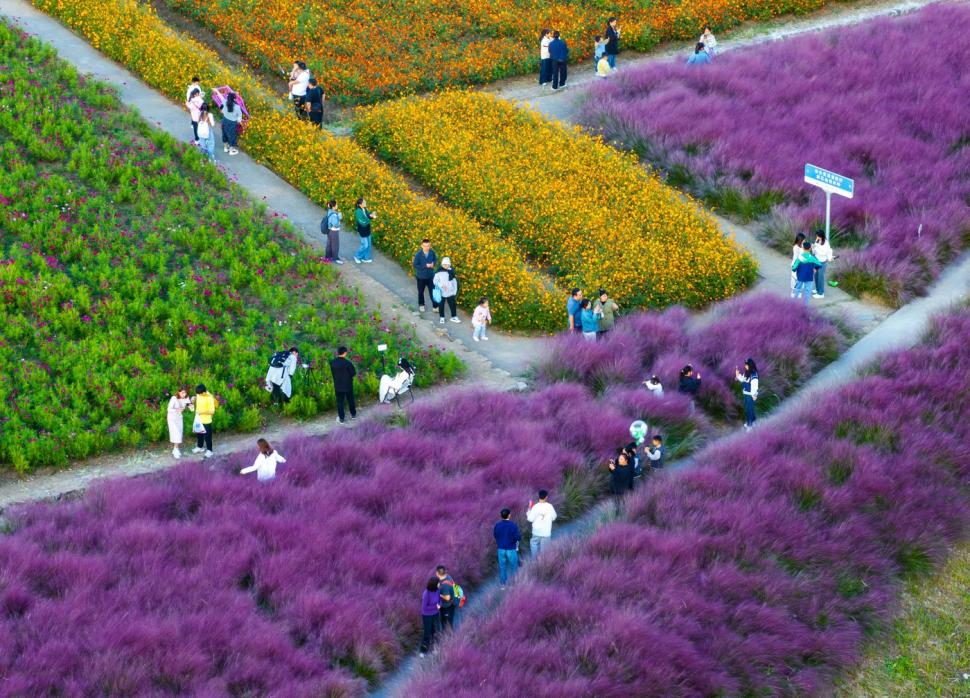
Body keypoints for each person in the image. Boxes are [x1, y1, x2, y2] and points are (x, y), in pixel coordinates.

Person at [493, 508, 521, 587]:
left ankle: (503, 584)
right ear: (509, 515)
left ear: (501, 516)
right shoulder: (513, 525)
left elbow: (495, 535)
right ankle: (514, 584)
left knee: (502, 567)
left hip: (501, 549)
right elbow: (518, 537)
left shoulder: (497, 525)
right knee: (514, 567)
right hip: (511, 549)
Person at [329, 346, 357, 424]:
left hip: (338, 386)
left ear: (338, 353)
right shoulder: (348, 363)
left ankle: (341, 418)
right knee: (350, 400)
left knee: (340, 402)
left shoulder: (332, 362)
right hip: (348, 385)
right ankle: (353, 415)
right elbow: (353, 373)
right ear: (345, 353)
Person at [526, 490, 557, 556]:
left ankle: (534, 560)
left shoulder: (535, 507)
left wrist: (528, 511)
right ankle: (542, 561)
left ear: (538, 496)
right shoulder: (550, 506)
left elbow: (530, 519)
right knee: (545, 551)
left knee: (534, 545)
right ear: (546, 497)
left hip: (536, 532)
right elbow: (554, 517)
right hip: (546, 532)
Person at [192, 384, 218, 458]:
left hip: (206, 420)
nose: (198, 395)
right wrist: (193, 399)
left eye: (199, 394)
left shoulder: (210, 398)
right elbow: (196, 398)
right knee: (199, 434)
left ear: (204, 392)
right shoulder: (199, 394)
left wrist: (201, 412)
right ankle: (200, 447)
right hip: (198, 419)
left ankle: (210, 451)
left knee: (207, 437)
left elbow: (212, 411)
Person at [167, 388, 194, 459]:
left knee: (179, 433)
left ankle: (175, 449)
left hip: (179, 418)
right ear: (178, 392)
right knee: (176, 434)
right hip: (172, 418)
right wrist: (177, 410)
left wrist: (192, 403)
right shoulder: (174, 398)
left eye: (185, 393)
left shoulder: (186, 399)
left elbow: (192, 409)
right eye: (182, 392)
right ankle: (176, 449)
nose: (184, 394)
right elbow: (169, 409)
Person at [792, 241, 821, 306]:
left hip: (800, 277)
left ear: (803, 248)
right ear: (810, 248)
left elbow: (794, 268)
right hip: (809, 277)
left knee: (797, 289)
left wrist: (794, 268)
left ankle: (794, 304)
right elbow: (819, 264)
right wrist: (815, 269)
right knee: (807, 291)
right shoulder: (812, 258)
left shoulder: (799, 258)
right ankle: (805, 305)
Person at [413, 239, 438, 312]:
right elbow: (415, 265)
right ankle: (421, 305)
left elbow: (435, 259)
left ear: (430, 246)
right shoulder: (418, 255)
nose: (426, 248)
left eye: (428, 246)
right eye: (425, 246)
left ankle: (435, 306)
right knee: (421, 292)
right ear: (422, 246)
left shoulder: (432, 252)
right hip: (421, 277)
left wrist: (433, 263)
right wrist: (425, 265)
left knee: (432, 292)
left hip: (430, 276)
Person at [433, 257, 460, 324]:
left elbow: (454, 282)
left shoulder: (451, 271)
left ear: (449, 264)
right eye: (444, 264)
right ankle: (442, 317)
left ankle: (454, 316)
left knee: (452, 305)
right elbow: (435, 281)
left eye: (447, 264)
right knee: (441, 305)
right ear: (442, 264)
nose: (445, 266)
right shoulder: (438, 272)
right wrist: (441, 285)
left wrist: (455, 291)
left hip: (450, 292)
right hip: (441, 292)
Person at [736, 358, 759, 431]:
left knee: (749, 409)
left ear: (750, 365)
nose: (745, 366)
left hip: (750, 395)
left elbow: (754, 386)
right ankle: (753, 421)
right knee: (749, 408)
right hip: (746, 394)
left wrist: (754, 395)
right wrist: (738, 375)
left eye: (746, 365)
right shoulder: (747, 372)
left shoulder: (754, 375)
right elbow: (743, 379)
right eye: (745, 365)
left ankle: (750, 425)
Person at [419, 577, 440, 656]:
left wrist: (440, 604)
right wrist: (435, 607)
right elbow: (424, 608)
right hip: (427, 616)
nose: (439, 584)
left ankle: (435, 649)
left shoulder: (437, 590)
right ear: (434, 584)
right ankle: (423, 651)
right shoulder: (426, 594)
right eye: (438, 583)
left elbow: (440, 600)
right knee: (427, 633)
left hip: (436, 614)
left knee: (436, 631)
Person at [353, 197, 376, 264]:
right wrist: (369, 220)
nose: (365, 203)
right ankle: (357, 256)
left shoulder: (364, 209)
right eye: (364, 202)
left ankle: (366, 258)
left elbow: (368, 215)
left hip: (367, 229)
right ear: (360, 204)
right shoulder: (358, 212)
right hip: (362, 230)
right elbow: (362, 222)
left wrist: (372, 215)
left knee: (369, 244)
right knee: (365, 245)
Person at [812, 230, 833, 298]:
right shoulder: (817, 240)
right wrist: (813, 247)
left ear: (822, 236)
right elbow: (814, 252)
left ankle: (821, 294)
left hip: (822, 262)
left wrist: (817, 247)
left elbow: (824, 253)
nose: (817, 237)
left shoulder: (826, 243)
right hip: (816, 260)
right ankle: (817, 289)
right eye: (817, 236)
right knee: (816, 275)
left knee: (820, 277)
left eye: (818, 236)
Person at [435, 565, 456, 630]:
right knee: (449, 621)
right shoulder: (448, 577)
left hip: (447, 606)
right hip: (452, 603)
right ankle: (449, 633)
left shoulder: (444, 585)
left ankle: (447, 635)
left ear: (437, 573)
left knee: (446, 624)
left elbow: (447, 598)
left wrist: (438, 594)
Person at [220, 91, 242, 155]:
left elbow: (221, 97)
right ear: (234, 99)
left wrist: (216, 91)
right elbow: (239, 116)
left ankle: (225, 148)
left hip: (224, 120)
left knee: (224, 134)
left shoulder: (224, 102)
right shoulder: (237, 107)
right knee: (232, 136)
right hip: (232, 123)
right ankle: (231, 151)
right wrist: (238, 121)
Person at [322, 200, 343, 264]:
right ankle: (335, 258)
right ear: (333, 206)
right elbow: (336, 224)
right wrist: (339, 218)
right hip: (334, 232)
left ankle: (328, 257)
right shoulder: (334, 215)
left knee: (329, 244)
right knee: (335, 245)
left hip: (329, 231)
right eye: (336, 204)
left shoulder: (329, 211)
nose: (337, 205)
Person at [790, 232, 807, 296]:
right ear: (800, 240)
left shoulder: (802, 246)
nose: (805, 240)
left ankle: (799, 292)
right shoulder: (796, 247)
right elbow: (797, 258)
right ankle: (793, 292)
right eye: (804, 239)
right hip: (796, 265)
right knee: (794, 279)